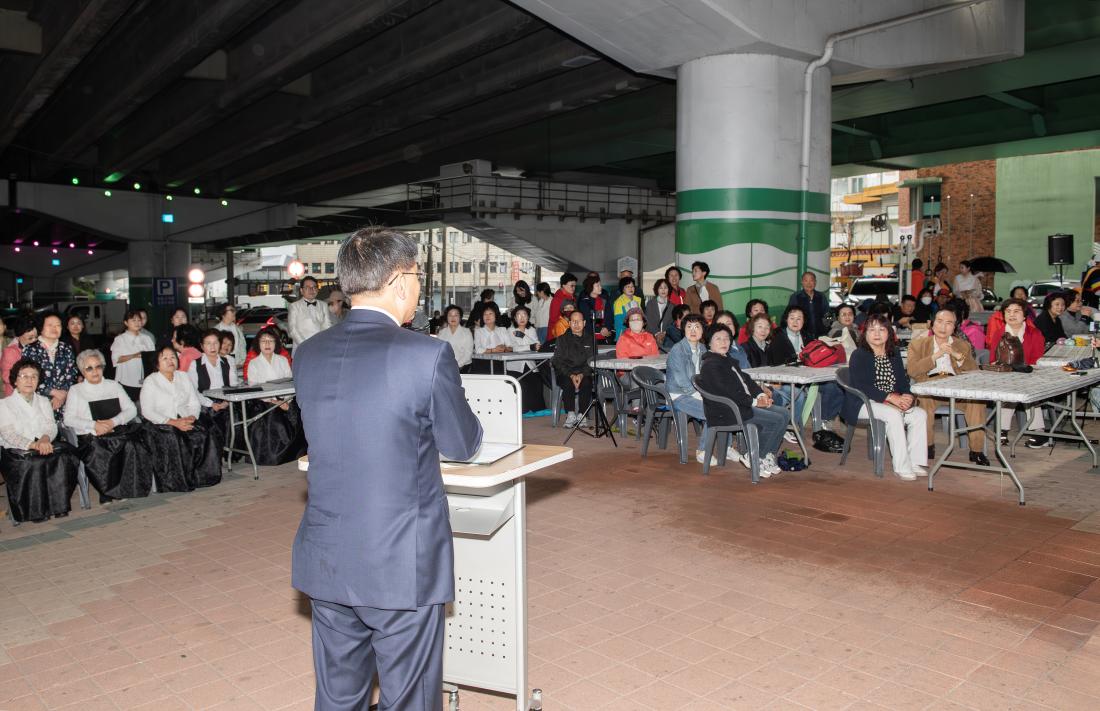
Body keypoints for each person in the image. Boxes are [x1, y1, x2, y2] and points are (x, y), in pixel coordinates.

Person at [292, 228, 482, 710]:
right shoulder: (427, 353)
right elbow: (462, 443)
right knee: (411, 699)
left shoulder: (308, 354)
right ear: (399, 281)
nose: (420, 287)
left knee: (338, 698)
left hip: (328, 559)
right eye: (418, 275)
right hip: (400, 564)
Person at [842, 313, 928, 480]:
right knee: (893, 415)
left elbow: (903, 382)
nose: (876, 334)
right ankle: (902, 466)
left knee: (919, 414)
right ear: (865, 333)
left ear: (889, 333)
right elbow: (861, 386)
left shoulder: (893, 353)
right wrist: (890, 397)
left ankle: (915, 462)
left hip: (890, 400)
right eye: (871, 329)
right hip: (863, 403)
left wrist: (907, 396)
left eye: (881, 329)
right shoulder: (859, 355)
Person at [698, 324, 789, 477]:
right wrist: (754, 402)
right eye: (718, 339)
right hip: (728, 411)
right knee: (776, 419)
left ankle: (766, 456)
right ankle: (754, 456)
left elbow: (746, 380)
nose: (723, 342)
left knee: (784, 414)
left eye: (726, 338)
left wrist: (760, 395)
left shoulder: (727, 359)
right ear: (709, 343)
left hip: (741, 405)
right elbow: (729, 392)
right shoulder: (711, 364)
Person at [906, 309, 990, 466]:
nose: (943, 327)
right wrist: (935, 356)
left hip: (956, 386)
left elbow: (974, 371)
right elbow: (912, 371)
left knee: (977, 402)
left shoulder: (962, 345)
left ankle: (977, 451)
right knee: (924, 403)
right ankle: (927, 446)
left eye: (948, 323)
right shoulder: (918, 344)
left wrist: (957, 356)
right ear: (931, 324)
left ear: (954, 327)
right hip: (930, 385)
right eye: (939, 321)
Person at [0, 359, 80, 522]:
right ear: (15, 380)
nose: (29, 380)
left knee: (66, 456)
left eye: (34, 377)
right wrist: (34, 445)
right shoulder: (4, 405)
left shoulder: (43, 401)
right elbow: (9, 434)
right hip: (16, 451)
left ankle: (59, 506)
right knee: (34, 463)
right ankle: (36, 511)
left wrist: (44, 439)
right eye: (24, 376)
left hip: (43, 444)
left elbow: (50, 426)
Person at [64, 349, 148, 501]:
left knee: (131, 444)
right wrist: (93, 425)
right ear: (82, 371)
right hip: (90, 434)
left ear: (103, 367)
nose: (94, 371)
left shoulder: (114, 385)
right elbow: (68, 419)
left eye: (98, 366)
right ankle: (106, 491)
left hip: (115, 429)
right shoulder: (76, 390)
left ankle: (126, 488)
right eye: (89, 368)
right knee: (98, 449)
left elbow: (131, 409)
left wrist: (112, 422)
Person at [139, 345, 222, 491]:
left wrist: (191, 417)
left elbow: (194, 402)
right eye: (165, 358)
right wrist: (174, 422)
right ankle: (178, 481)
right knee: (175, 437)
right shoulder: (151, 381)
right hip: (160, 423)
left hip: (185, 418)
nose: (170, 360)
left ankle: (203, 477)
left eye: (172, 357)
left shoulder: (183, 376)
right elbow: (147, 411)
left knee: (205, 431)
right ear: (157, 364)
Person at [244, 327, 306, 465]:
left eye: (270, 341)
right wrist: (274, 401)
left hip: (285, 399)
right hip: (265, 402)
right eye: (263, 341)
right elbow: (255, 389)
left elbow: (290, 383)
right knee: (275, 418)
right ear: (258, 344)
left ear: (276, 343)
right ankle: (273, 456)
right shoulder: (254, 363)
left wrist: (285, 401)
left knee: (298, 412)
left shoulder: (282, 360)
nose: (267, 344)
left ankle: (296, 452)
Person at [665, 314, 718, 465]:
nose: (693, 330)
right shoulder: (678, 350)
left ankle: (726, 448)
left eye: (697, 327)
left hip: (697, 392)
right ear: (683, 330)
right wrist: (699, 395)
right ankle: (703, 451)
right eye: (689, 327)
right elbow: (681, 380)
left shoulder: (702, 348)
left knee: (722, 406)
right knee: (712, 412)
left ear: (703, 331)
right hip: (679, 395)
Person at [22, 312, 78, 421]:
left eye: (58, 325)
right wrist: (52, 392)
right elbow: (27, 377)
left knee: (65, 434)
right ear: (41, 328)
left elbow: (72, 374)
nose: (54, 328)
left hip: (64, 401)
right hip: (38, 401)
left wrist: (63, 394)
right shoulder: (30, 349)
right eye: (50, 325)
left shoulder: (66, 348)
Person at [552, 310, 595, 428]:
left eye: (579, 321)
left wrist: (581, 374)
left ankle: (582, 415)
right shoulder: (562, 339)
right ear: (569, 323)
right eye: (573, 321)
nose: (576, 324)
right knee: (567, 383)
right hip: (566, 373)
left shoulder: (590, 339)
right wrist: (571, 375)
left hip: (584, 372)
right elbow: (557, 361)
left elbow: (592, 361)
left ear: (585, 323)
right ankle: (570, 414)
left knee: (586, 382)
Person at [507, 306, 545, 413]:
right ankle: (523, 410)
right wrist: (530, 347)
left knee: (537, 382)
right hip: (515, 366)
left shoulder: (531, 329)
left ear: (528, 317)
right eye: (518, 315)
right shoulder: (510, 330)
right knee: (523, 384)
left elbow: (536, 345)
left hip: (530, 364)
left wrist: (524, 336)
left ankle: (538, 410)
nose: (522, 317)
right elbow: (513, 348)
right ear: (514, 318)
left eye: (524, 315)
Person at [287, 277, 331, 347]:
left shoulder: (324, 305)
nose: (311, 290)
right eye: (307, 287)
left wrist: (321, 343)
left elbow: (327, 326)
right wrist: (305, 345)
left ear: (317, 289)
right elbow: (292, 330)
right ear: (301, 290)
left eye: (314, 287)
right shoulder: (294, 306)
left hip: (320, 346)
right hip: (301, 347)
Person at [472, 303, 511, 373]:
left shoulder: (502, 330)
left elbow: (511, 347)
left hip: (500, 363)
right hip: (483, 364)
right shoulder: (479, 331)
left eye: (490, 313)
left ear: (496, 315)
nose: (487, 316)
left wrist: (504, 348)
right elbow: (478, 350)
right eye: (485, 314)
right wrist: (493, 350)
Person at [2, 317, 36, 397]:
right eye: (30, 338)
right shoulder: (10, 351)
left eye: (36, 337)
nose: (34, 340)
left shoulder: (39, 348)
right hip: (15, 394)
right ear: (19, 334)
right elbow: (7, 376)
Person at [788, 271, 827, 338]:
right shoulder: (795, 297)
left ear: (815, 282)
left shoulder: (821, 296)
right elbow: (790, 316)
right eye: (806, 280)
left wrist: (827, 330)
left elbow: (827, 314)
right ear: (802, 282)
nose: (809, 283)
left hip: (821, 335)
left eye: (811, 280)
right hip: (801, 335)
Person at [436, 304, 474, 372]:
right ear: (446, 317)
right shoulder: (441, 333)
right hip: (445, 367)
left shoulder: (467, 332)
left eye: (456, 315)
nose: (453, 318)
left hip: (463, 367)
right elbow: (439, 352)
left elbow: (468, 354)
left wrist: (456, 366)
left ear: (460, 317)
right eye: (450, 315)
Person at [578, 274, 612, 342]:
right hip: (589, 338)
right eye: (597, 285)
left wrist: (607, 328)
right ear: (590, 287)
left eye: (600, 285)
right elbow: (586, 322)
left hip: (604, 337)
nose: (600, 287)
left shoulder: (603, 300)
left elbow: (609, 316)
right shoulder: (584, 302)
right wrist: (600, 330)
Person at [645, 279, 675, 348]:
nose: (663, 290)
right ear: (657, 290)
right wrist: (657, 334)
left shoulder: (672, 306)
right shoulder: (650, 304)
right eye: (660, 288)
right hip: (651, 336)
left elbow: (672, 323)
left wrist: (664, 333)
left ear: (669, 289)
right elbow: (649, 321)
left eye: (665, 287)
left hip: (666, 337)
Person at [547, 273, 578, 337]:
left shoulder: (572, 297)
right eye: (571, 286)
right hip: (558, 334)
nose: (574, 288)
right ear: (563, 285)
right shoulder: (558, 299)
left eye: (575, 286)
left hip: (569, 332)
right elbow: (554, 319)